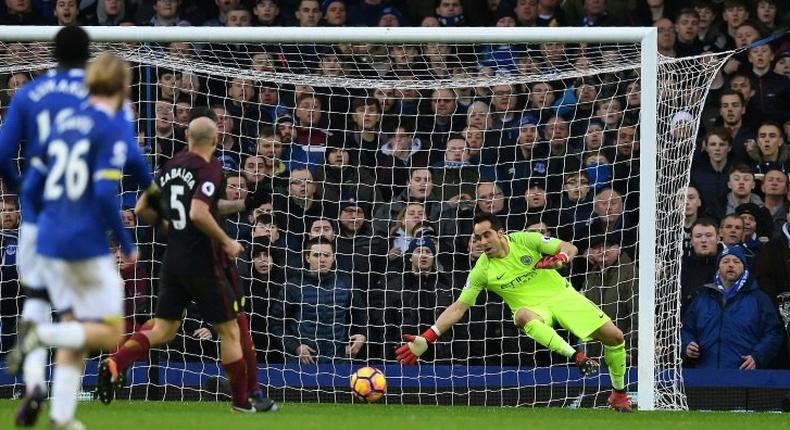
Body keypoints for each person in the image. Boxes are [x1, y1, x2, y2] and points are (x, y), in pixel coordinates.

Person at [0, 26, 152, 428]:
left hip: (39, 221)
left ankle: (45, 397)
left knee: (36, 301)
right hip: (82, 229)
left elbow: (5, 154)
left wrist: (22, 196)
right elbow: (121, 172)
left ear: (53, 52)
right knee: (90, 326)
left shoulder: (31, 94)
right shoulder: (103, 103)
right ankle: (56, 396)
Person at [100, 116, 277, 413]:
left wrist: (169, 227)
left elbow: (142, 207)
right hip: (204, 262)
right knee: (231, 330)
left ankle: (116, 361)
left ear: (187, 137)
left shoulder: (170, 166)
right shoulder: (210, 167)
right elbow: (198, 212)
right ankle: (242, 402)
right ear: (217, 138)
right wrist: (227, 241)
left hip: (174, 259)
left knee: (164, 330)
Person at [396, 213, 633, 412]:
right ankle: (576, 357)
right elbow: (459, 307)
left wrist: (560, 258)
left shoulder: (524, 240)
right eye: (477, 238)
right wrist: (429, 335)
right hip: (534, 309)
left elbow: (568, 247)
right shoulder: (482, 270)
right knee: (520, 316)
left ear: (500, 233)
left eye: (486, 235)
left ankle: (618, 393)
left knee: (615, 338)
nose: (482, 242)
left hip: (562, 296)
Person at [681, 245, 784, 369]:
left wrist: (758, 356)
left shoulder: (759, 299)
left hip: (743, 376)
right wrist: (687, 344)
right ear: (718, 268)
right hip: (704, 375)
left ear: (744, 268)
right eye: (725, 261)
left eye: (736, 261)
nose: (731, 265)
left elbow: (773, 332)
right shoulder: (701, 297)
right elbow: (686, 328)